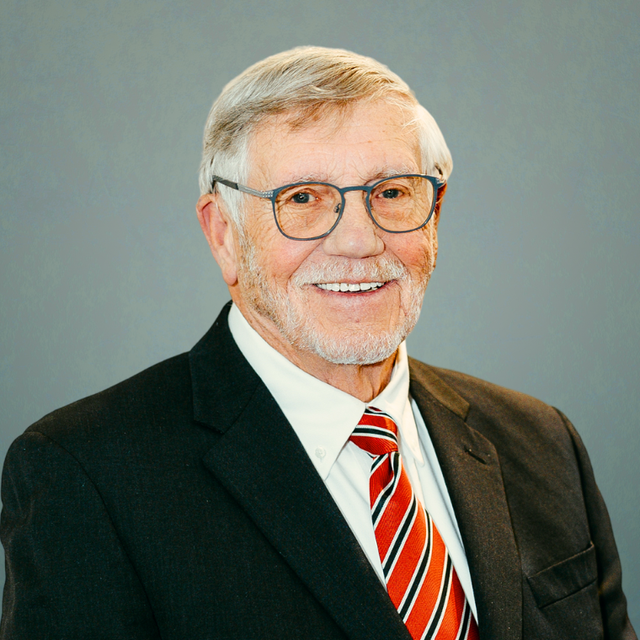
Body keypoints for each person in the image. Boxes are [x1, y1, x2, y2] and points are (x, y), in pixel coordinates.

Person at [0, 46, 635, 640]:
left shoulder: (543, 443)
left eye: (391, 192)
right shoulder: (86, 475)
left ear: (435, 216)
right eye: (302, 198)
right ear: (224, 234)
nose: (358, 240)